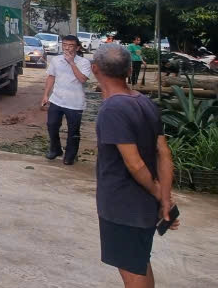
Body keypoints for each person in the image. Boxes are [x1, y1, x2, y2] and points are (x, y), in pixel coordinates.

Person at [91, 43, 177, 287]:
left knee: (131, 269)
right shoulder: (144, 102)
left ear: (95, 69)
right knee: (138, 262)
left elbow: (134, 163)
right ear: (129, 70)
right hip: (141, 205)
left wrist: (159, 194)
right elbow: (164, 153)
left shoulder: (113, 109)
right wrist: (164, 197)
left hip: (123, 204)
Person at [40, 34, 92, 165]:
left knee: (73, 130)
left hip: (75, 103)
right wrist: (46, 95)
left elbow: (82, 79)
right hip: (57, 99)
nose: (67, 48)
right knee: (52, 125)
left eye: (71, 46)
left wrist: (72, 63)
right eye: (65, 45)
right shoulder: (56, 60)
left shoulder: (84, 62)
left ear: (78, 47)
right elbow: (51, 77)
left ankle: (70, 155)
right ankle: (55, 149)